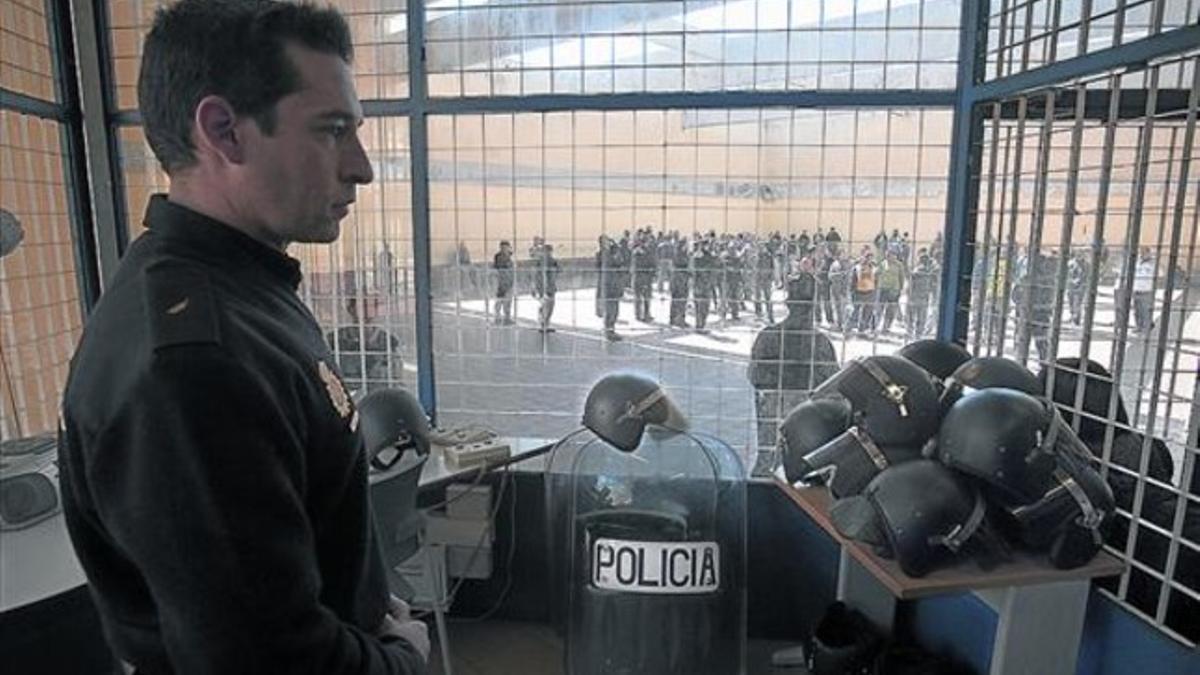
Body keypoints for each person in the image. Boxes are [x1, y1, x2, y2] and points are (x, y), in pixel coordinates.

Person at [56, 2, 429, 673]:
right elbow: (266, 659)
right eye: (332, 130)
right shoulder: (194, 363)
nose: (362, 167)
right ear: (224, 131)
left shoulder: (243, 289)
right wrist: (402, 658)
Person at [747, 273, 839, 474]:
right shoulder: (821, 343)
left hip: (772, 409)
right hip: (806, 417)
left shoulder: (767, 336)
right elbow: (833, 387)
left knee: (767, 460)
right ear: (814, 307)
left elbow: (754, 377)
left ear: (789, 304)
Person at [534, 243, 560, 333]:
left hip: (551, 287)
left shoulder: (552, 261)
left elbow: (558, 271)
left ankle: (545, 324)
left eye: (550, 251)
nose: (549, 253)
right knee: (545, 306)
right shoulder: (541, 262)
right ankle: (542, 324)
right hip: (544, 287)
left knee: (550, 307)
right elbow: (539, 276)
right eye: (547, 251)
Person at [493, 239, 515, 324]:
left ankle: (507, 317)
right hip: (501, 281)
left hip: (509, 280)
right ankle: (497, 317)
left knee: (508, 300)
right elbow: (500, 267)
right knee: (500, 299)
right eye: (503, 247)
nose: (505, 249)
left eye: (506, 247)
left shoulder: (509, 256)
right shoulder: (499, 257)